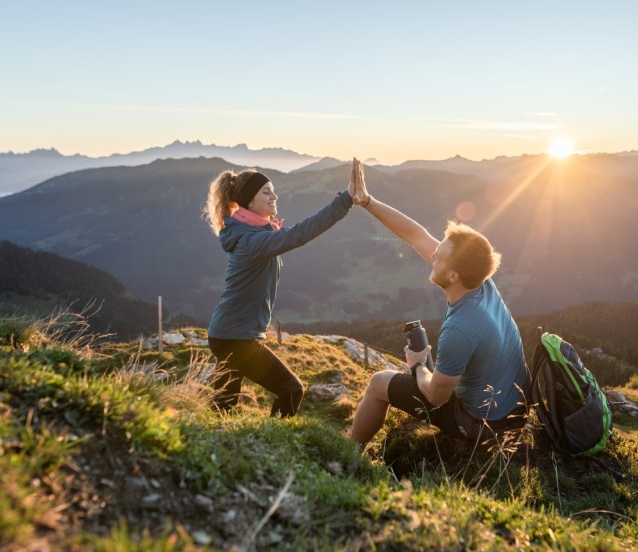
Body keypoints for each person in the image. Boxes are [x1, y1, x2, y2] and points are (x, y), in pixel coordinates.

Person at [347, 159, 531, 449]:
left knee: (379, 383)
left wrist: (419, 365)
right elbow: (415, 235)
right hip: (514, 410)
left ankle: (347, 458)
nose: (432, 255)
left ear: (453, 275)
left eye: (439, 256)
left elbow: (436, 397)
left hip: (485, 426)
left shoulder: (460, 327)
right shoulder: (481, 282)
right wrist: (367, 201)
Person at [204, 162, 357, 417]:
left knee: (224, 403)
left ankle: (211, 435)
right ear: (249, 202)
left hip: (227, 334)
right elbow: (299, 234)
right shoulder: (253, 240)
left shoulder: (250, 232)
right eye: (266, 192)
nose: (274, 196)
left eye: (273, 190)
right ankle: (278, 437)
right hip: (234, 338)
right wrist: (345, 200)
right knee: (292, 390)